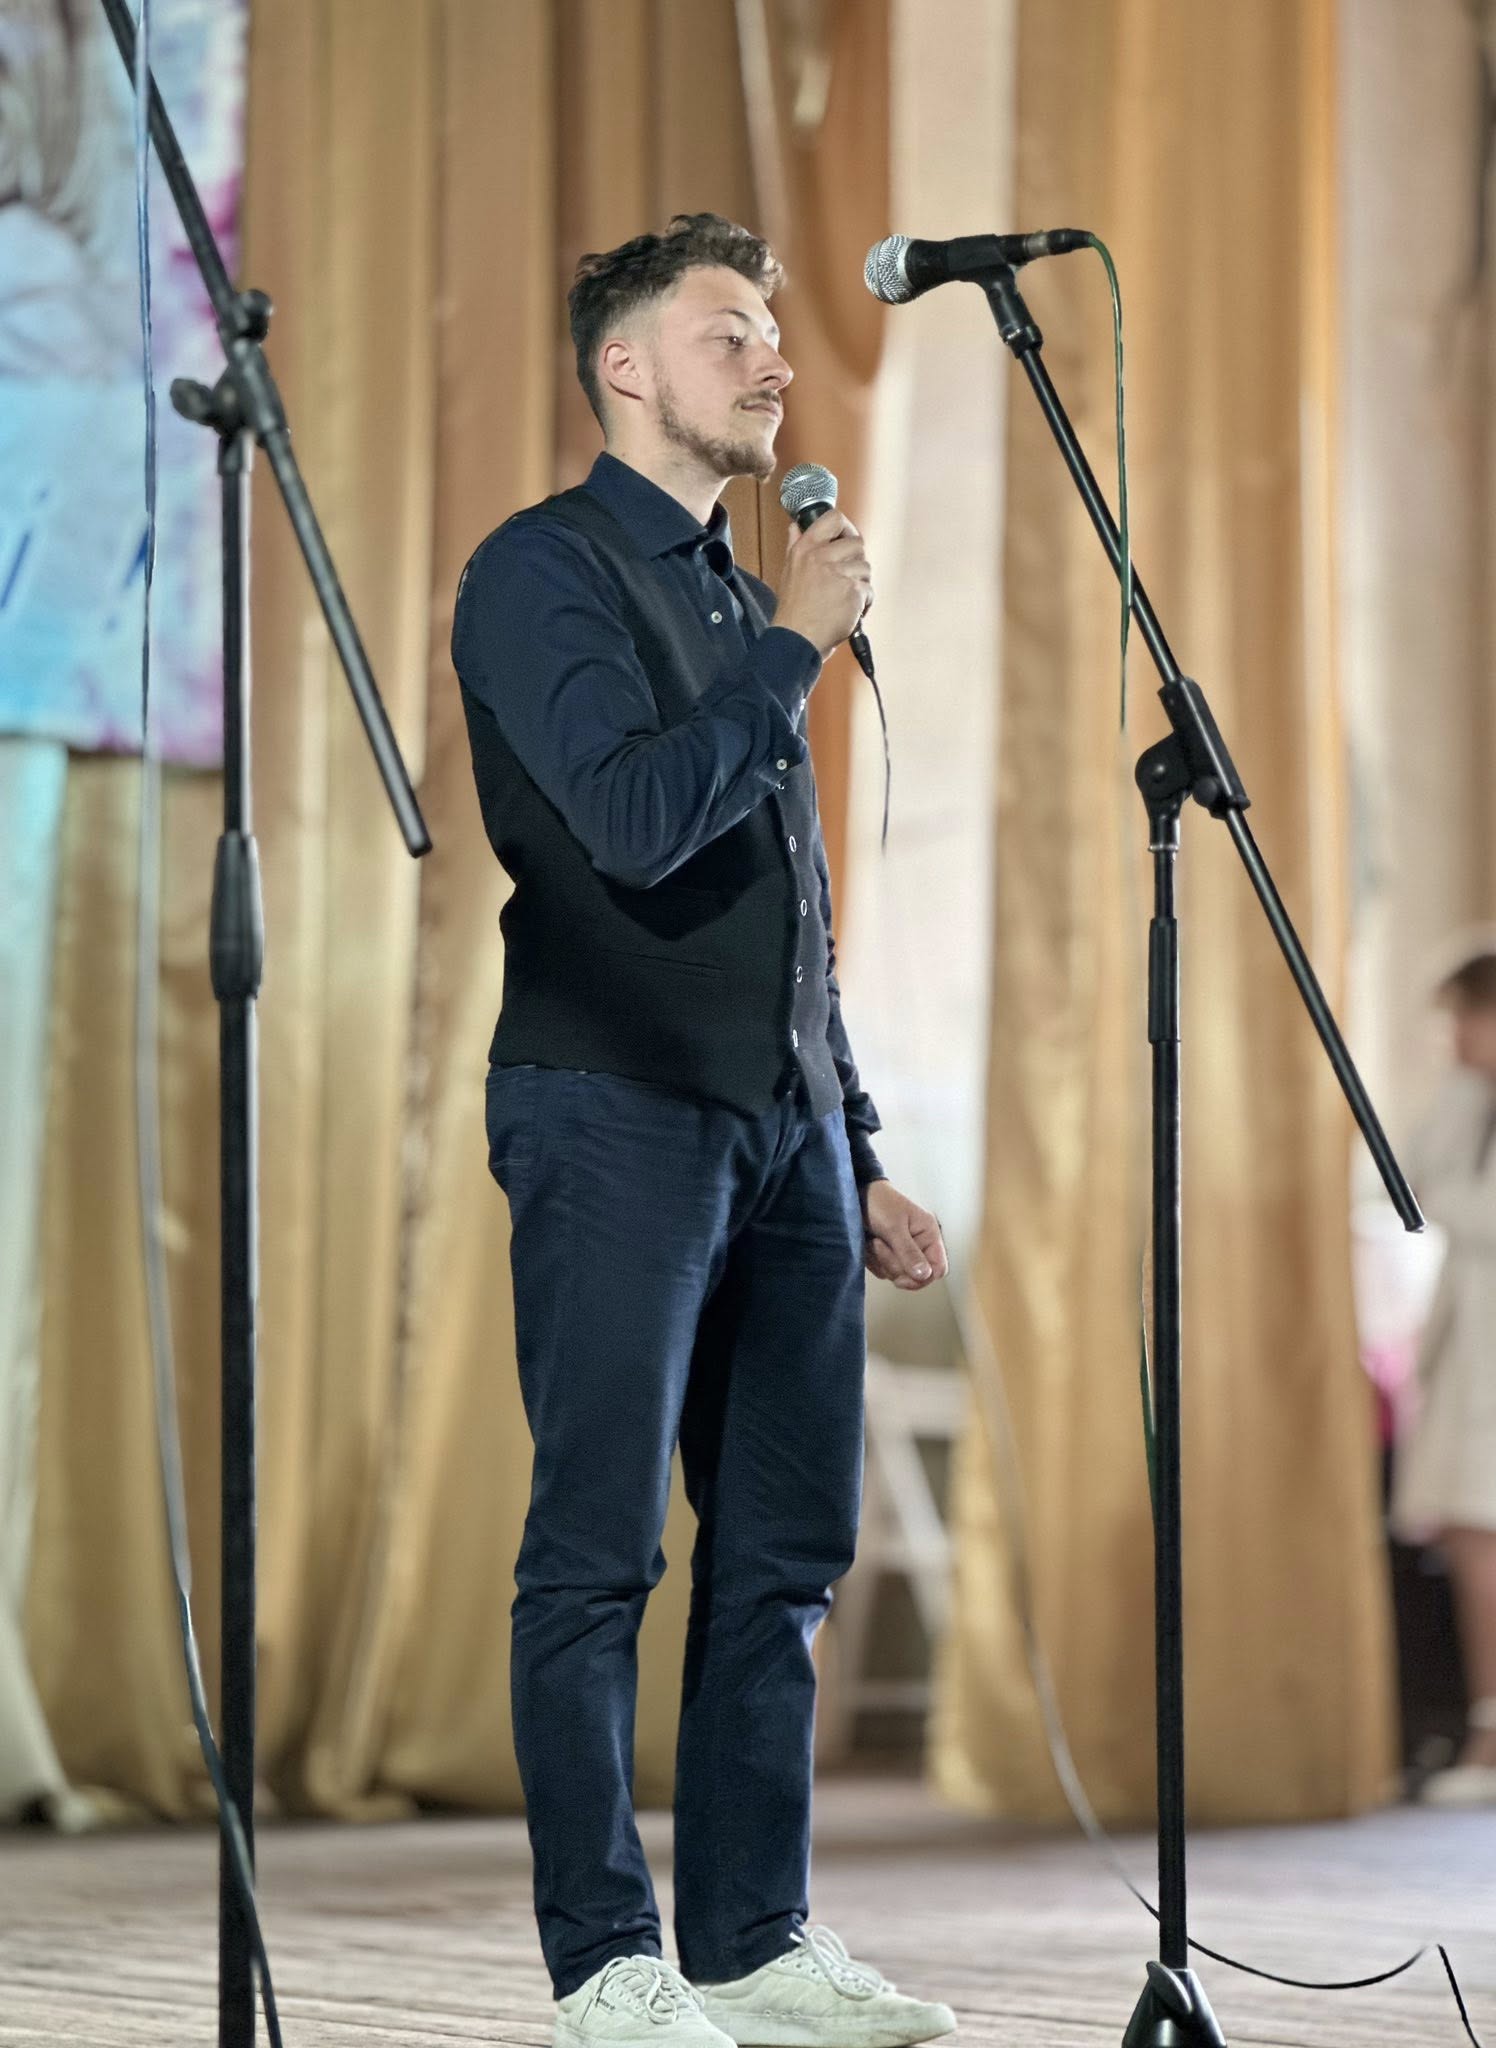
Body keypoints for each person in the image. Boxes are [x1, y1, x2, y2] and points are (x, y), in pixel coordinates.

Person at [452, 214, 956, 2048]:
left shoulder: (754, 604)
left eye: (772, 333)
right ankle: (606, 1961)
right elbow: (637, 820)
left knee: (781, 1559)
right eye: (727, 330)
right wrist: (796, 651)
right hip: (613, 1109)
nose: (772, 360)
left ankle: (754, 1940)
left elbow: (788, 905)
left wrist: (857, 1136)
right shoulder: (543, 571)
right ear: (626, 368)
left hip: (786, 1132)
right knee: (598, 1552)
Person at [1391, 945, 1496, 1807]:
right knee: (1468, 1539)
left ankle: (1489, 1739)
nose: (1457, 1035)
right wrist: (1464, 1088)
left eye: (1469, 1015)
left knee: (1481, 1539)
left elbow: (1468, 1210)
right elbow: (1416, 1178)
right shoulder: (1474, 1103)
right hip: (1469, 1355)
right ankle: (1484, 1732)